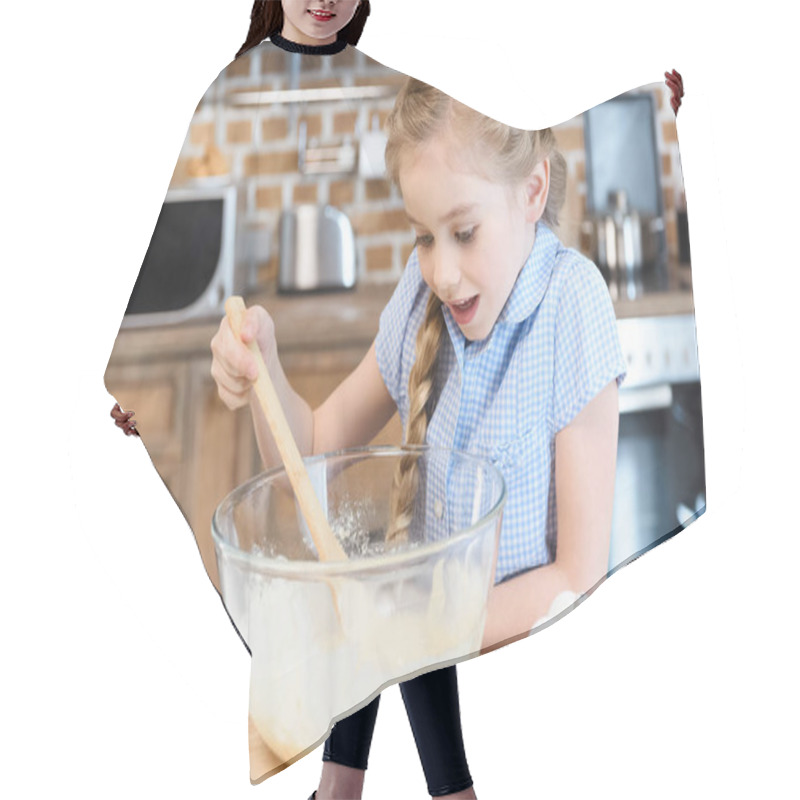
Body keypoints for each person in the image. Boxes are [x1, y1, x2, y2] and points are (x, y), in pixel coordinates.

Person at [211, 61, 626, 798]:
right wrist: (265, 370)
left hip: (528, 691)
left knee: (389, 606)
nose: (440, 270)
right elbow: (314, 454)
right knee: (368, 581)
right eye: (423, 237)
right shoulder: (422, 295)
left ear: (532, 191)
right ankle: (339, 786)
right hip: (437, 662)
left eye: (463, 232)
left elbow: (578, 579)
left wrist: (419, 630)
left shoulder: (572, 305)